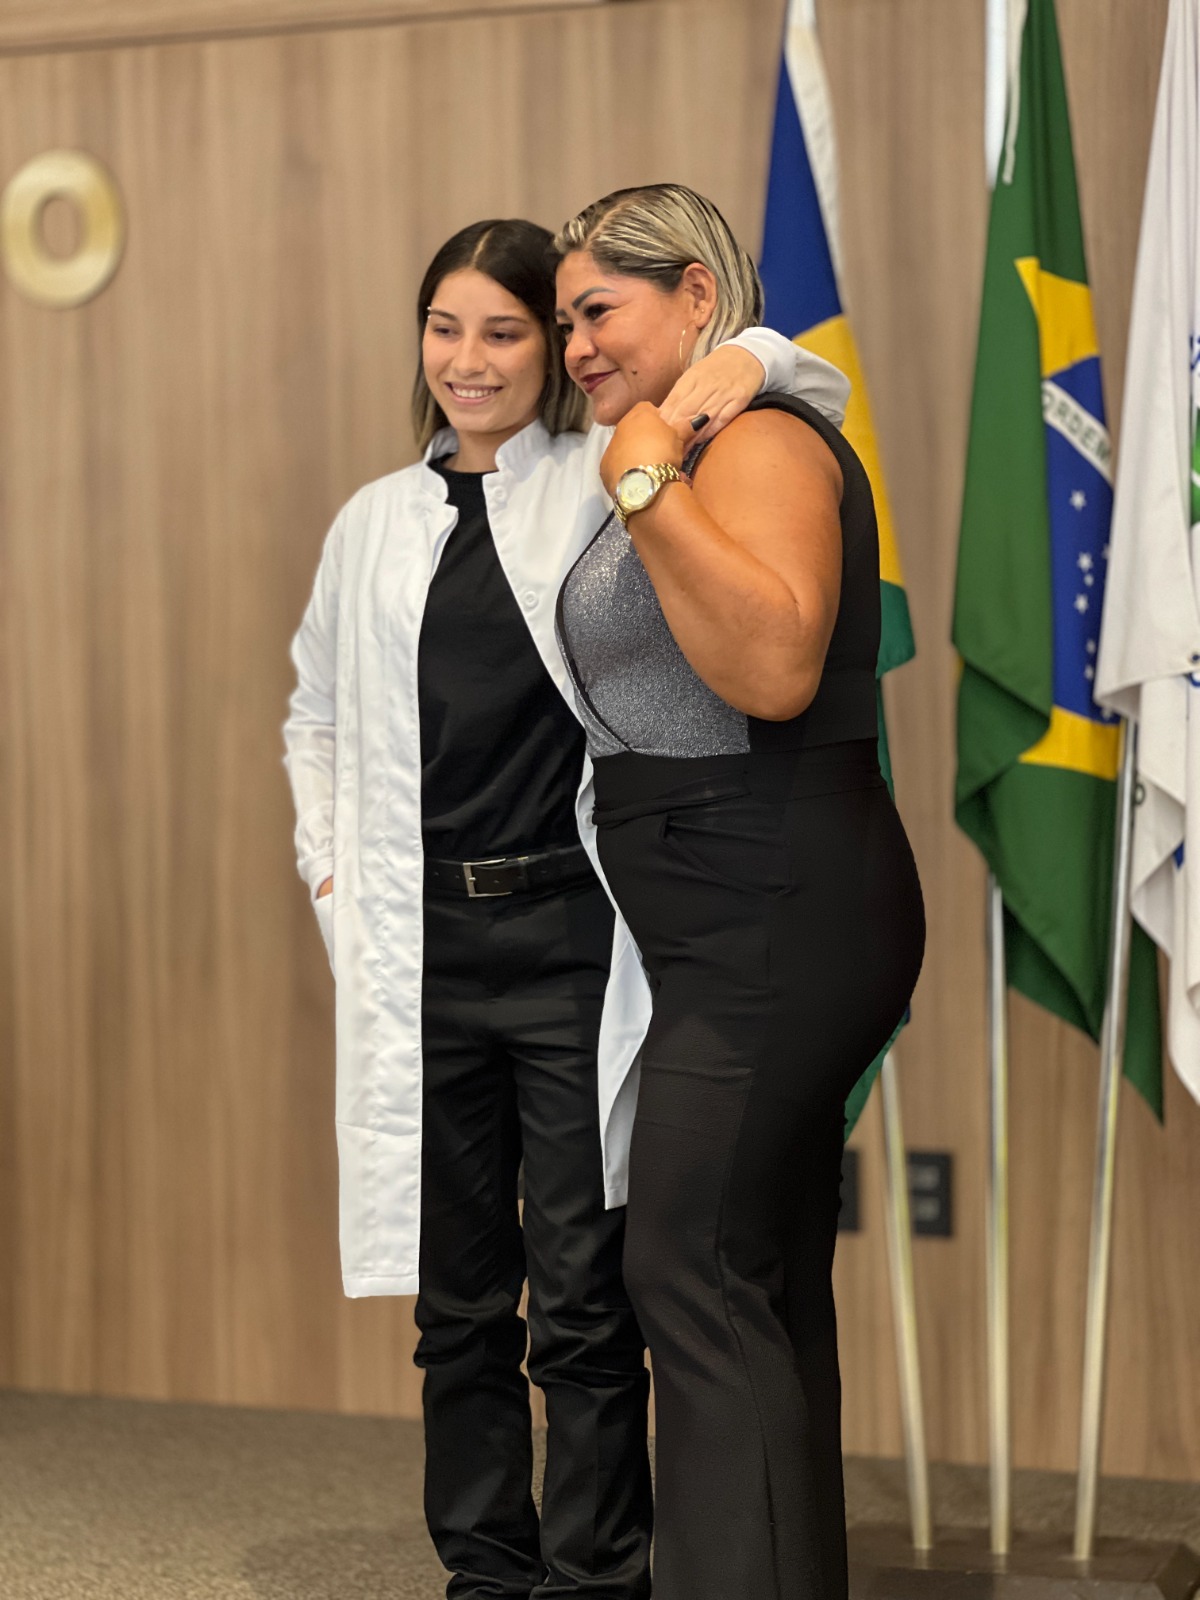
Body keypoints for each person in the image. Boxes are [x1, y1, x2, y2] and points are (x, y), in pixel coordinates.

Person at [282, 215, 848, 1600]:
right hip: (424, 950)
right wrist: (333, 871)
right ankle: (486, 1572)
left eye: (506, 330)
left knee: (586, 1296)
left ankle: (597, 1577)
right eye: (445, 329)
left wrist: (752, 355)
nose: (469, 360)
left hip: (573, 945)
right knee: (459, 1299)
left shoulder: (600, 481)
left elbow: (802, 383)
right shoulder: (373, 523)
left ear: (554, 348)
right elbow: (314, 716)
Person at [554, 184, 926, 1600]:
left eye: (600, 310)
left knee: (692, 1268)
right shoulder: (688, 429)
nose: (576, 346)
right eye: (567, 320)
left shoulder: (754, 441)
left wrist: (650, 479)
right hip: (724, 912)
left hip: (772, 902)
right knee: (748, 1277)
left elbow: (772, 666)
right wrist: (651, 452)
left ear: (697, 297)